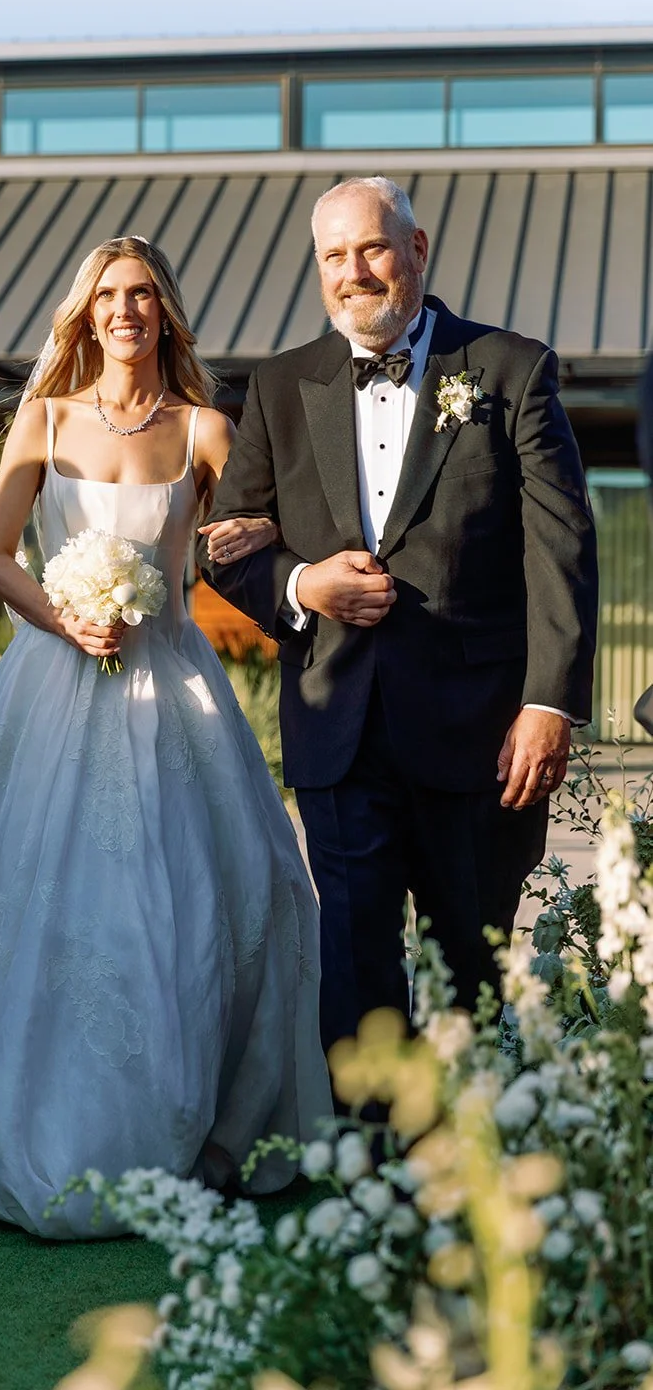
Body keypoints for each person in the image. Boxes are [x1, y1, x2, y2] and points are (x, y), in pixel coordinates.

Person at [0, 235, 330, 1239]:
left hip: (173, 688)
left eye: (142, 294)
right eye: (108, 297)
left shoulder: (204, 431)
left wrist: (247, 538)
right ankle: (52, 1115)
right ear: (86, 314)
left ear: (165, 312)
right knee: (45, 901)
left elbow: (257, 535)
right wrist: (66, 616)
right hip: (53, 686)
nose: (125, 311)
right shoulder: (44, 420)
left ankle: (203, 1131)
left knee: (201, 900)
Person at [200, 176, 599, 1059]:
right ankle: (366, 1172)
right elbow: (221, 546)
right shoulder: (275, 387)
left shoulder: (508, 369)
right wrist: (302, 585)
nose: (355, 271)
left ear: (416, 251)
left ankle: (462, 1164)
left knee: (468, 961)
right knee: (353, 964)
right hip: (337, 726)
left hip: (479, 733)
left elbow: (561, 548)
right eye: (334, 256)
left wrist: (547, 704)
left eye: (372, 248)